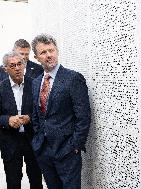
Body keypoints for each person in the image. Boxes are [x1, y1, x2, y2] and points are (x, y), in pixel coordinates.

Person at [31, 34, 91, 189]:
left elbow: (83, 116)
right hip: (44, 151)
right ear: (37, 57)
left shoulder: (73, 78)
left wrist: (75, 145)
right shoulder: (36, 82)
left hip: (67, 152)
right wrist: (38, 139)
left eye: (51, 50)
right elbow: (37, 114)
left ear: (57, 51)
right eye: (43, 52)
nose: (49, 55)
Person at [0, 51, 43, 189]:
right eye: (12, 65)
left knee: (36, 180)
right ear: (5, 68)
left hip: (32, 140)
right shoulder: (1, 88)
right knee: (13, 182)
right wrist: (7, 120)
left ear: (24, 65)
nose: (17, 68)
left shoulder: (36, 84)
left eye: (20, 64)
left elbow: (43, 110)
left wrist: (30, 117)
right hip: (10, 141)